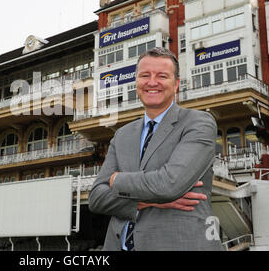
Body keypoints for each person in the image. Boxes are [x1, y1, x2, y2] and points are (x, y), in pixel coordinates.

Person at [88, 47, 223, 251]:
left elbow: (168, 185)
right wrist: (148, 202)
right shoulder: (122, 135)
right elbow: (97, 198)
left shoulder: (199, 123)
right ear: (137, 83)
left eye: (162, 76)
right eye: (145, 75)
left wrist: (117, 181)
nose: (152, 82)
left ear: (176, 84)